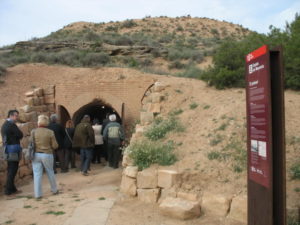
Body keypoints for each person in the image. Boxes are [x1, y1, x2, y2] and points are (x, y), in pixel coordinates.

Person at [30, 115, 59, 199]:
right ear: (46, 123)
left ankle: (38, 194)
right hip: (47, 154)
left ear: (38, 122)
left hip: (35, 154)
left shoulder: (33, 131)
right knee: (50, 172)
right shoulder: (50, 132)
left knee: (37, 174)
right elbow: (55, 145)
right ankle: (54, 190)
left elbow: (31, 143)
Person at [1, 110, 23, 196]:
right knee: (12, 169)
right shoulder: (11, 125)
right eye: (16, 116)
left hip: (7, 149)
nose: (17, 118)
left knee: (11, 169)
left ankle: (12, 189)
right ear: (11, 115)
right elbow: (20, 135)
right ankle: (8, 190)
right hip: (13, 150)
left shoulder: (4, 125)